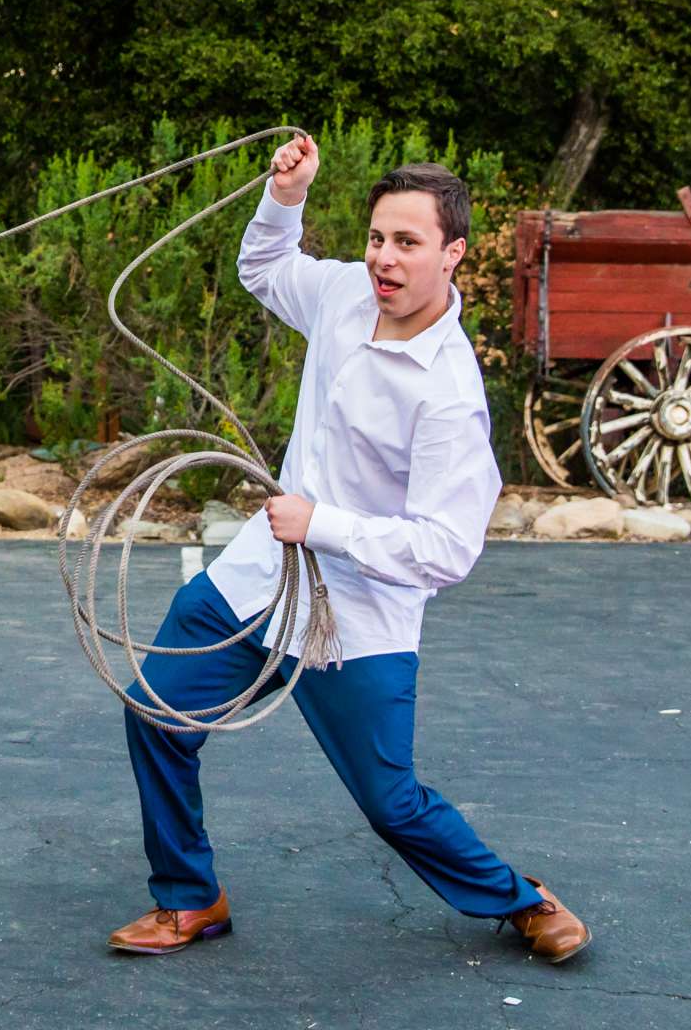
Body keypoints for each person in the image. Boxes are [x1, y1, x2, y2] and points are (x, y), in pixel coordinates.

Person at [106, 137, 589, 963]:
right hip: (261, 576)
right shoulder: (340, 295)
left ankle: (520, 898)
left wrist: (322, 523)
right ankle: (191, 898)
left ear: (454, 254)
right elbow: (263, 269)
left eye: (408, 243)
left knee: (391, 804)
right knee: (155, 711)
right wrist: (286, 196)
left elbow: (446, 549)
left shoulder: (450, 394)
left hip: (357, 616)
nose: (385, 260)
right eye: (376, 238)